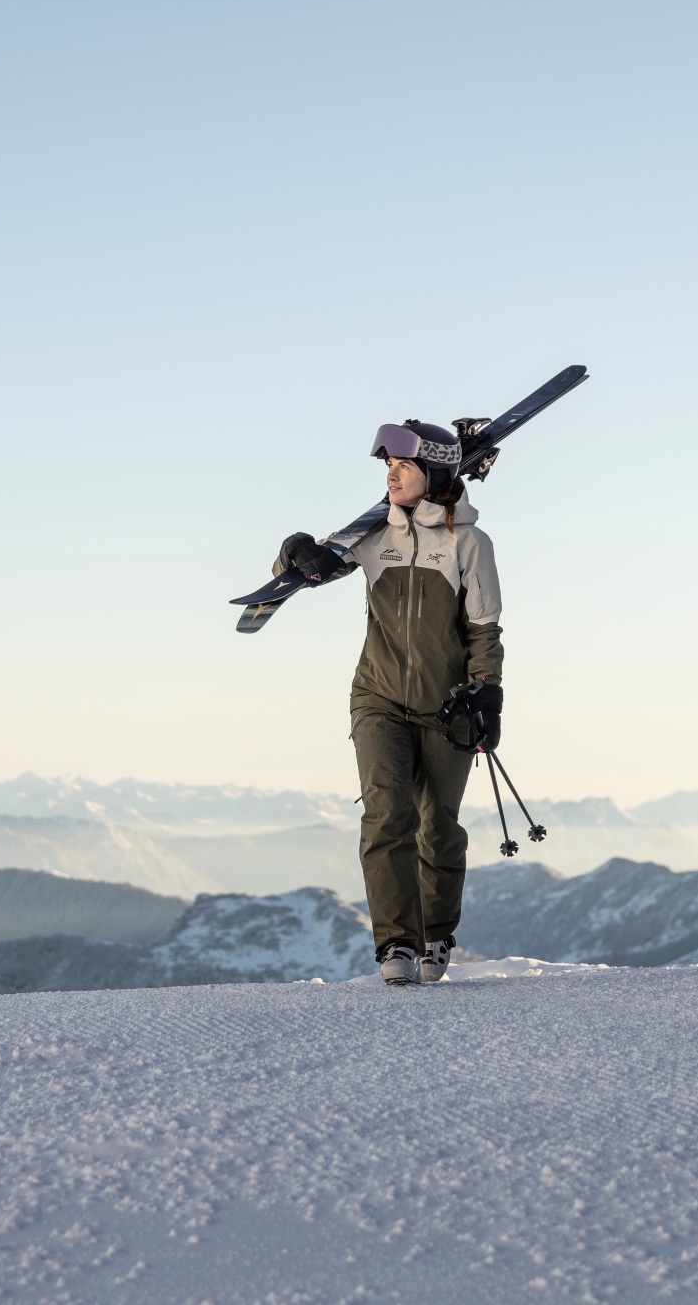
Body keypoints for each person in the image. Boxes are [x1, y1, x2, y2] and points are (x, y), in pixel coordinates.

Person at [274, 420, 502, 985]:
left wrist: (487, 693)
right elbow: (309, 571)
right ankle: (395, 944)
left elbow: (484, 630)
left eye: (402, 465)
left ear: (433, 471)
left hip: (445, 706)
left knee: (438, 827)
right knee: (386, 815)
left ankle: (437, 933)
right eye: (387, 467)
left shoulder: (468, 543)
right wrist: (295, 554)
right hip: (376, 698)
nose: (390, 474)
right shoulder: (376, 536)